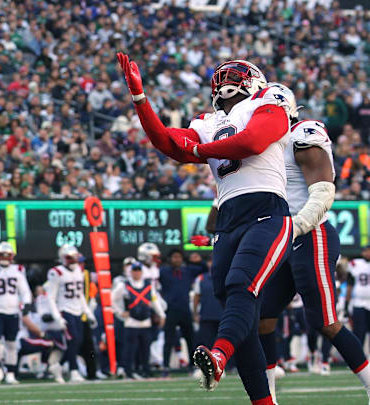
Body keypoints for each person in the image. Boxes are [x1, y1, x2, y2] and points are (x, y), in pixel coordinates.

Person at [119, 54, 291, 404]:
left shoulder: (269, 100)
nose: (229, 79)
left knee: (241, 288)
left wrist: (198, 149)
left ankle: (218, 356)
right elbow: (167, 142)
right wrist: (140, 99)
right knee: (237, 310)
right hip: (228, 219)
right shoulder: (209, 121)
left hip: (266, 210)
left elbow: (253, 142)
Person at [252, 84, 370, 404]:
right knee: (262, 316)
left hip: (310, 233)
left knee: (324, 321)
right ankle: (269, 398)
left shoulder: (302, 133)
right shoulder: (265, 146)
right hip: (283, 236)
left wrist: (298, 227)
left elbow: (323, 190)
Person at [0, 242, 32, 385]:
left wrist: (26, 303)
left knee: (11, 344)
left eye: (7, 255)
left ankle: (11, 372)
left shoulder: (18, 269)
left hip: (13, 311)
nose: (4, 257)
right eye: (2, 255)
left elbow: (25, 290)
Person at [45, 245, 97, 383]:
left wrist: (88, 312)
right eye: (70, 258)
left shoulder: (79, 271)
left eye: (75, 257)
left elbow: (80, 294)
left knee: (78, 342)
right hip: (65, 310)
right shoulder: (56, 272)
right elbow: (50, 297)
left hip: (78, 311)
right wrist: (58, 317)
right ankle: (73, 371)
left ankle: (58, 366)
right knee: (72, 341)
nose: (74, 260)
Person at [112, 261, 165, 379]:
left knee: (146, 349)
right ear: (131, 272)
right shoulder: (124, 285)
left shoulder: (148, 285)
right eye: (134, 270)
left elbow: (154, 301)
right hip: (131, 322)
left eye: (138, 270)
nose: (137, 273)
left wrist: (161, 315)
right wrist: (120, 312)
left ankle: (145, 370)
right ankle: (129, 371)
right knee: (130, 349)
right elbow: (112, 299)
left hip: (145, 322)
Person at [159, 249, 206, 375]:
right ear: (170, 259)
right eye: (174, 257)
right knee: (168, 340)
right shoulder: (164, 271)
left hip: (185, 309)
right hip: (171, 310)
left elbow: (205, 268)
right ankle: (165, 367)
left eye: (179, 257)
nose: (177, 259)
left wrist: (199, 260)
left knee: (190, 339)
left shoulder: (187, 271)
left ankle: (192, 365)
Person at [346, 246, 370, 369]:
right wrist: (347, 302)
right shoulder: (355, 263)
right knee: (358, 332)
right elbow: (350, 283)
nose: (368, 253)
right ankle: (358, 359)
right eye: (365, 251)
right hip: (358, 302)